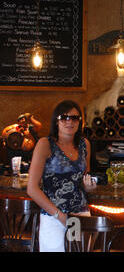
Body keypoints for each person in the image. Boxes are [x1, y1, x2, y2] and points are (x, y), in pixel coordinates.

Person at [27, 100, 97, 252]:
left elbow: (84, 181)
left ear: (80, 122)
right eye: (64, 117)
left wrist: (89, 187)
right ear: (56, 121)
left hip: (79, 215)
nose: (69, 121)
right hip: (54, 216)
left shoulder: (85, 145)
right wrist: (59, 215)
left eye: (74, 118)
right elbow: (32, 188)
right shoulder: (45, 144)